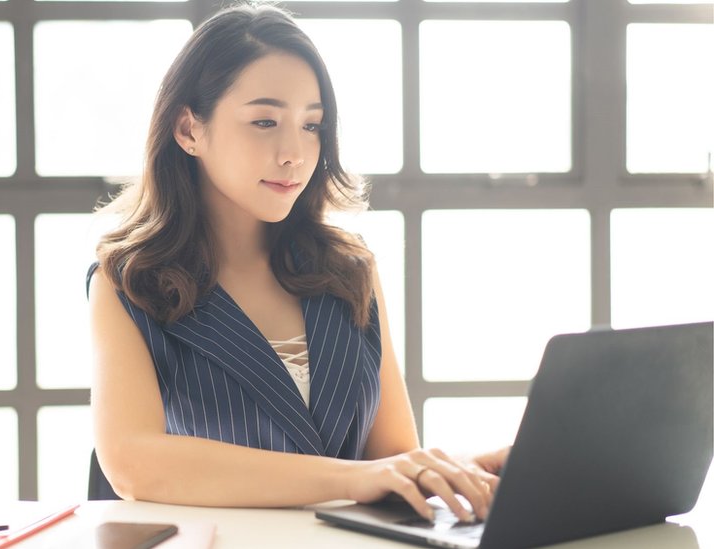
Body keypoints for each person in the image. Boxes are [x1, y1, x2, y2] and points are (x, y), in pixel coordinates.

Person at [87, 4, 508, 521]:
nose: (294, 152)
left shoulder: (349, 269)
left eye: (312, 125)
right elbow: (135, 465)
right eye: (264, 121)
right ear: (188, 129)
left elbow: (387, 458)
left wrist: (454, 468)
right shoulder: (129, 280)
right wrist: (354, 477)